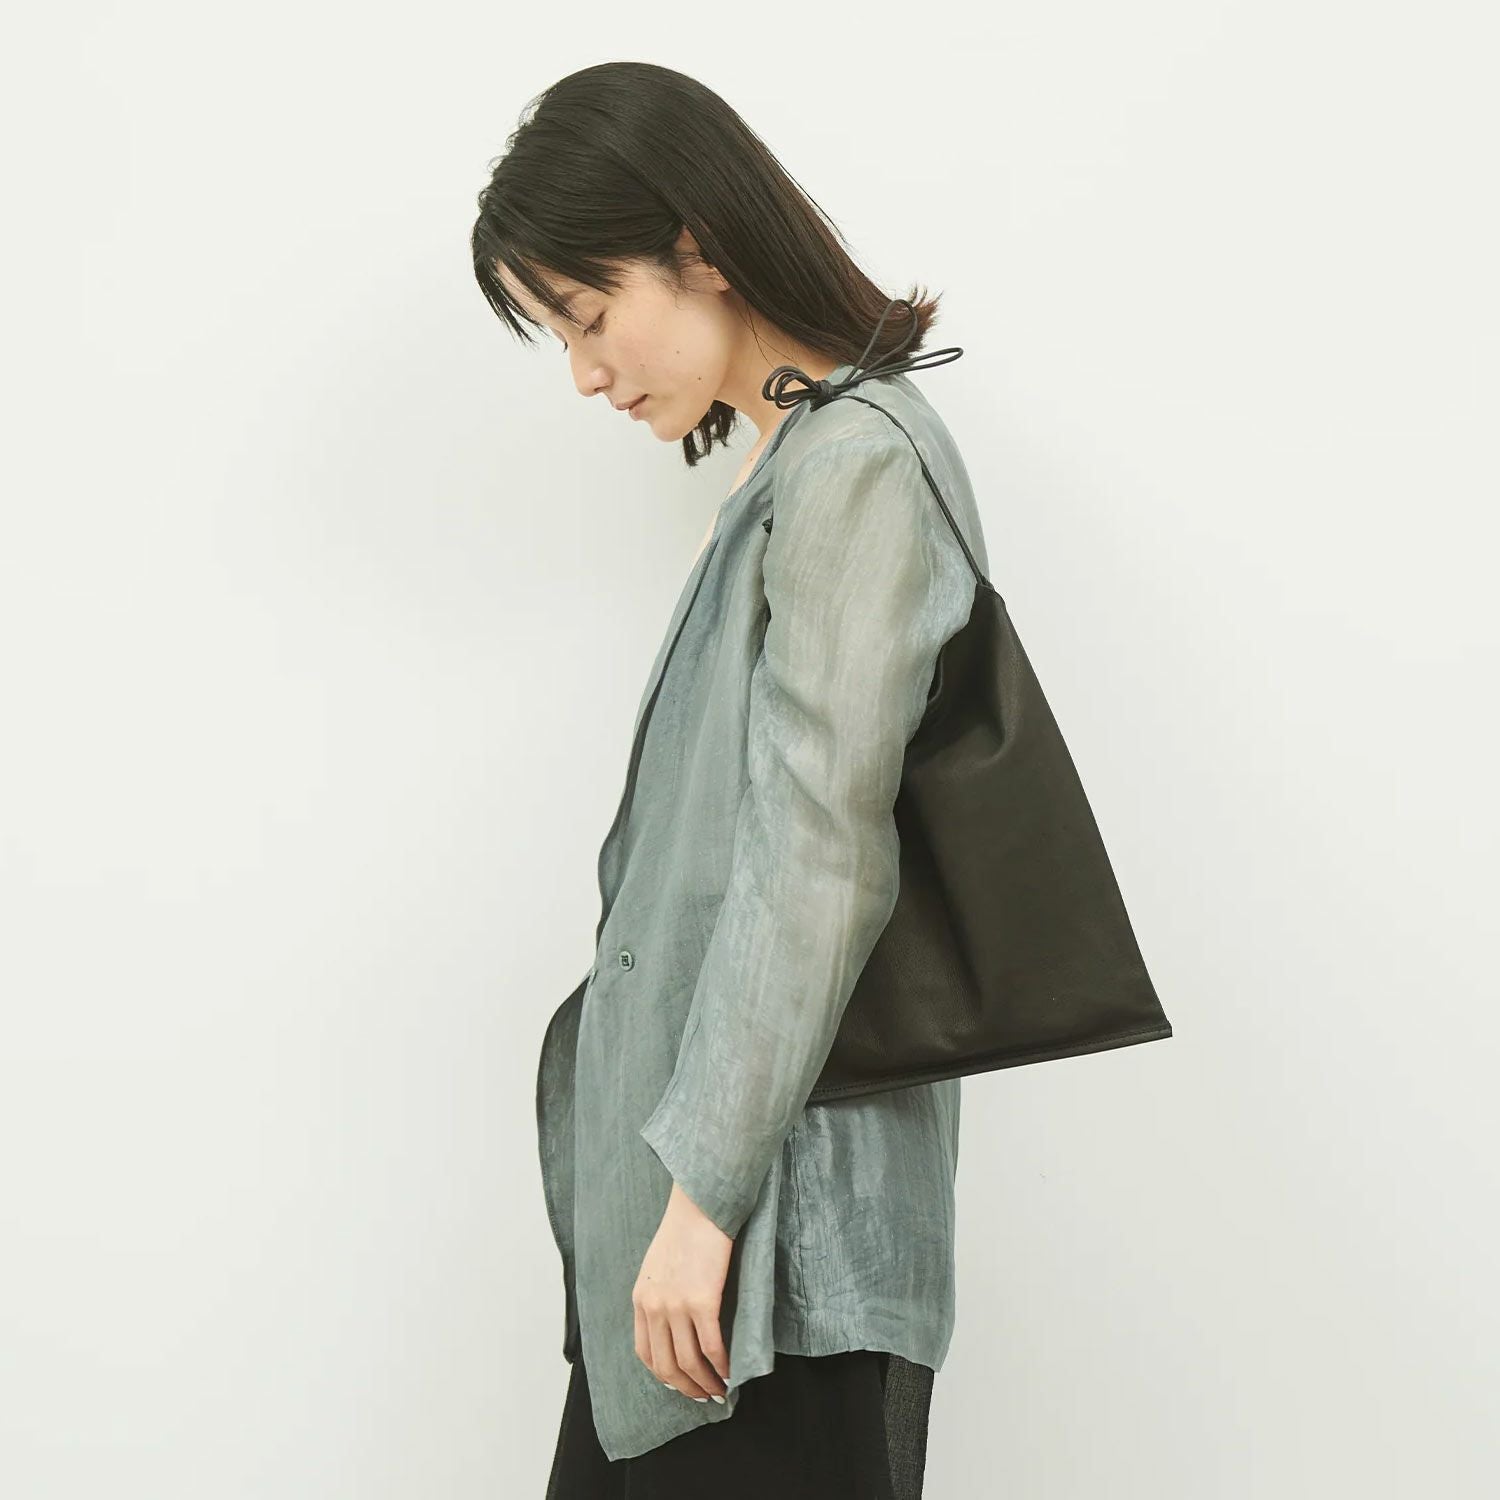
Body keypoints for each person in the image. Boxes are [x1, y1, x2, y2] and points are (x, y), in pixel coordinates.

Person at [470, 61, 989, 1497]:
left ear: (698, 246)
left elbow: (820, 861)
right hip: (716, 1253)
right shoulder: (796, 469)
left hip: (768, 1263)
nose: (584, 372)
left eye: (587, 314)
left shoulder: (857, 465)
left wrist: (700, 1205)